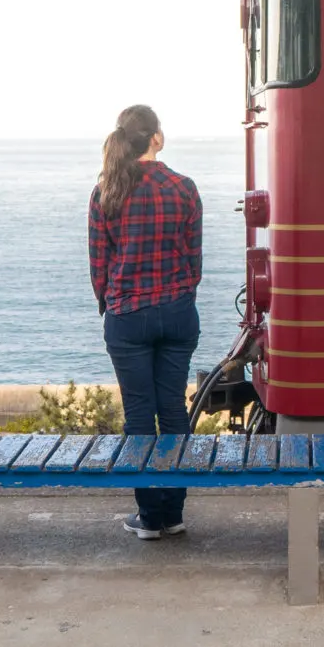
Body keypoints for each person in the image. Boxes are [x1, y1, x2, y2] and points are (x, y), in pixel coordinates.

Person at [88, 105, 203, 540]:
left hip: (127, 316)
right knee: (173, 409)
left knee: (139, 413)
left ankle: (149, 517)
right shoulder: (184, 187)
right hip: (177, 312)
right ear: (155, 138)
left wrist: (112, 304)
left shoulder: (107, 190)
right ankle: (172, 512)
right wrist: (180, 296)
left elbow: (99, 265)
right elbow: (194, 260)